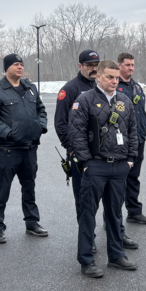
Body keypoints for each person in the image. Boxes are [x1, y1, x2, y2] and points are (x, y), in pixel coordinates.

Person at [68, 59, 139, 278]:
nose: (113, 81)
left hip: (119, 166)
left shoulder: (125, 101)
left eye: (116, 77)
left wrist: (130, 159)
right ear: (98, 76)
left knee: (115, 214)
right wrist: (87, 162)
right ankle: (86, 260)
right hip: (96, 166)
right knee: (88, 213)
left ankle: (116, 256)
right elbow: (76, 133)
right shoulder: (85, 100)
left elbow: (132, 132)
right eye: (109, 77)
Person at [0, 54, 48, 243]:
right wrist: (9, 133)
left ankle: (32, 222)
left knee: (29, 188)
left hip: (30, 148)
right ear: (6, 68)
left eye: (21, 64)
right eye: (15, 64)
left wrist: (40, 127)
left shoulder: (30, 88)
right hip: (8, 149)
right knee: (2, 189)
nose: (20, 67)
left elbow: (41, 110)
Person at [54, 50, 100, 219]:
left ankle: (113, 232)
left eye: (96, 65)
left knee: (103, 195)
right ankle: (87, 237)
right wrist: (72, 148)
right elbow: (60, 123)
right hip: (79, 154)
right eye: (89, 65)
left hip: (101, 153)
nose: (94, 69)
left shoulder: (101, 87)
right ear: (80, 66)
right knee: (84, 197)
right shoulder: (70, 89)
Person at [117, 53, 146, 226]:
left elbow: (141, 113)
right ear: (119, 66)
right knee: (118, 180)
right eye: (127, 65)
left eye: (132, 65)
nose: (131, 68)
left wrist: (142, 134)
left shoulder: (136, 87)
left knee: (133, 177)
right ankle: (113, 217)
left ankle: (134, 212)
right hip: (121, 142)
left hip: (138, 140)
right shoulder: (114, 86)